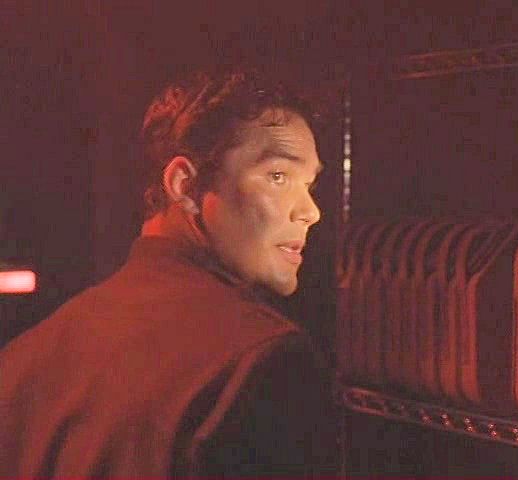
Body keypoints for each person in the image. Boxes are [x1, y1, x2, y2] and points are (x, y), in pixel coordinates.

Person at [0, 70, 335, 476]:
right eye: (278, 177)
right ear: (184, 185)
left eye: (309, 185)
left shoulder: (26, 357)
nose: (310, 212)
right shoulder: (263, 364)